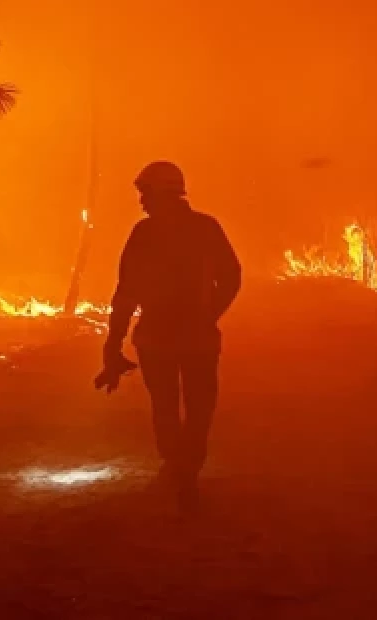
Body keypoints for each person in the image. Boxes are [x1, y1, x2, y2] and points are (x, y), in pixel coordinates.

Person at [100, 161, 241, 511]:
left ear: (161, 193)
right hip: (196, 339)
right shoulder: (206, 228)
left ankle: (180, 468)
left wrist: (114, 342)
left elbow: (126, 292)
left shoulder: (144, 234)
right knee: (199, 408)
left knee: (165, 406)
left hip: (158, 338)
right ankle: (187, 469)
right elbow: (232, 277)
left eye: (144, 193)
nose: (142, 202)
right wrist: (209, 315)